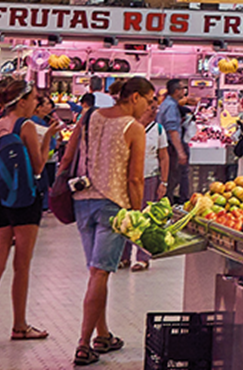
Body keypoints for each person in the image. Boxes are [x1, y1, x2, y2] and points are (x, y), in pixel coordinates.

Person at [61, 77, 151, 366]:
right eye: (149, 101)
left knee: (96, 273)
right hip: (113, 206)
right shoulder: (134, 128)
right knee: (100, 274)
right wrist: (136, 215)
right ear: (134, 97)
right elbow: (135, 179)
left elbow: (67, 159)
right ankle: (83, 344)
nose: (150, 107)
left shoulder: (90, 117)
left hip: (82, 202)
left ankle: (103, 335)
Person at [0, 79, 61, 341]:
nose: (37, 102)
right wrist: (47, 137)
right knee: (21, 265)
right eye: (34, 98)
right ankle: (20, 326)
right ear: (22, 101)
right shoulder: (24, 126)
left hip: (1, 198)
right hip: (25, 202)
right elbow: (38, 167)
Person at [119, 98, 168, 272]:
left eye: (156, 109)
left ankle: (142, 257)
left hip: (149, 178)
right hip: (128, 178)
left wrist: (164, 181)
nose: (154, 111)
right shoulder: (130, 127)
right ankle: (123, 256)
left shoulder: (158, 129)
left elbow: (163, 156)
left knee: (146, 218)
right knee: (127, 217)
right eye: (150, 108)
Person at [158, 79, 190, 204]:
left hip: (168, 146)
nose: (184, 91)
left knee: (171, 178)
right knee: (172, 179)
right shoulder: (171, 106)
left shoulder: (167, 103)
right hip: (171, 147)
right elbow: (172, 131)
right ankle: (169, 207)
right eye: (182, 88)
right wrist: (180, 152)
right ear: (177, 91)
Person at [32, 97, 61, 209]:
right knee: (43, 183)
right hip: (42, 157)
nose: (50, 106)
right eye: (47, 104)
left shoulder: (45, 120)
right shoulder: (35, 122)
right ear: (39, 108)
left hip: (46, 156)